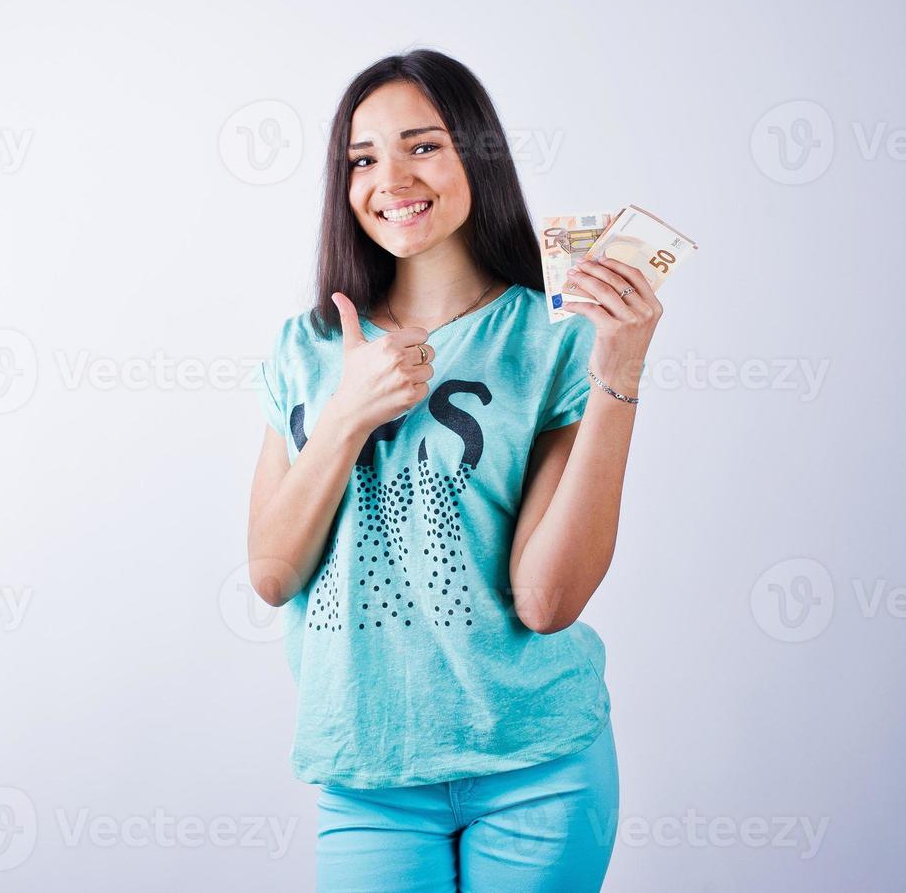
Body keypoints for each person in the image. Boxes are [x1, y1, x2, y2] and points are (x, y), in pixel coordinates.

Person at [246, 48, 663, 891]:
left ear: (477, 155)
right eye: (362, 159)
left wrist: (617, 368)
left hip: (536, 764)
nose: (390, 177)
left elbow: (546, 601)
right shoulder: (305, 349)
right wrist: (349, 411)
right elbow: (271, 572)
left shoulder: (553, 337)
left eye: (422, 146)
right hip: (366, 770)